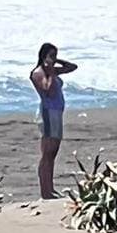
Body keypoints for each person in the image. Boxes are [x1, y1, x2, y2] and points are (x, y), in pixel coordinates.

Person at [30, 43, 77, 199]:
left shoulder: (51, 70)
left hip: (56, 113)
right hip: (49, 113)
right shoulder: (38, 73)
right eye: (51, 56)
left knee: (52, 152)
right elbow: (48, 90)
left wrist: (56, 62)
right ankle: (46, 191)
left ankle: (50, 189)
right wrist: (49, 70)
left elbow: (72, 67)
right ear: (44, 57)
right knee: (48, 153)